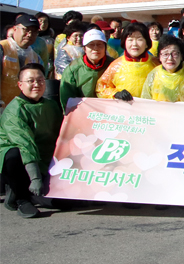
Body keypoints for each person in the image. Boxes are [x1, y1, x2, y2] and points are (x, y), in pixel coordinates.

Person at [0, 64, 63, 218]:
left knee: (64, 203)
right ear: (20, 85)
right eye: (31, 81)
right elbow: (25, 144)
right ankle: (21, 197)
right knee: (14, 154)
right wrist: (35, 178)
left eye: (40, 80)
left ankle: (32, 194)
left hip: (44, 158)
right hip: (21, 159)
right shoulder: (14, 110)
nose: (36, 84)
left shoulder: (51, 105)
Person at [96, 22, 160, 101]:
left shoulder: (156, 64)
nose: (134, 44)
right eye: (130, 39)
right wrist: (116, 93)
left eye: (139, 39)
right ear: (124, 42)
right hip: (124, 111)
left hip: (150, 110)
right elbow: (101, 88)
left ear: (146, 43)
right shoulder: (116, 65)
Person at [59, 28, 114, 111]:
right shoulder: (73, 69)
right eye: (91, 44)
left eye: (99, 44)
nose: (95, 48)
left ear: (105, 47)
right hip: (83, 113)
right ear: (84, 48)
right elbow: (67, 98)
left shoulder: (114, 65)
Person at [141, 35, 184, 102]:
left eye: (175, 54)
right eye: (165, 54)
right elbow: (145, 103)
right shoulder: (153, 75)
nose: (170, 58)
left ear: (182, 56)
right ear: (159, 57)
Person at [1, 14, 44, 108]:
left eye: (34, 31)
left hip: (23, 109)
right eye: (26, 29)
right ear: (15, 29)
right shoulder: (2, 48)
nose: (29, 34)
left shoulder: (35, 57)